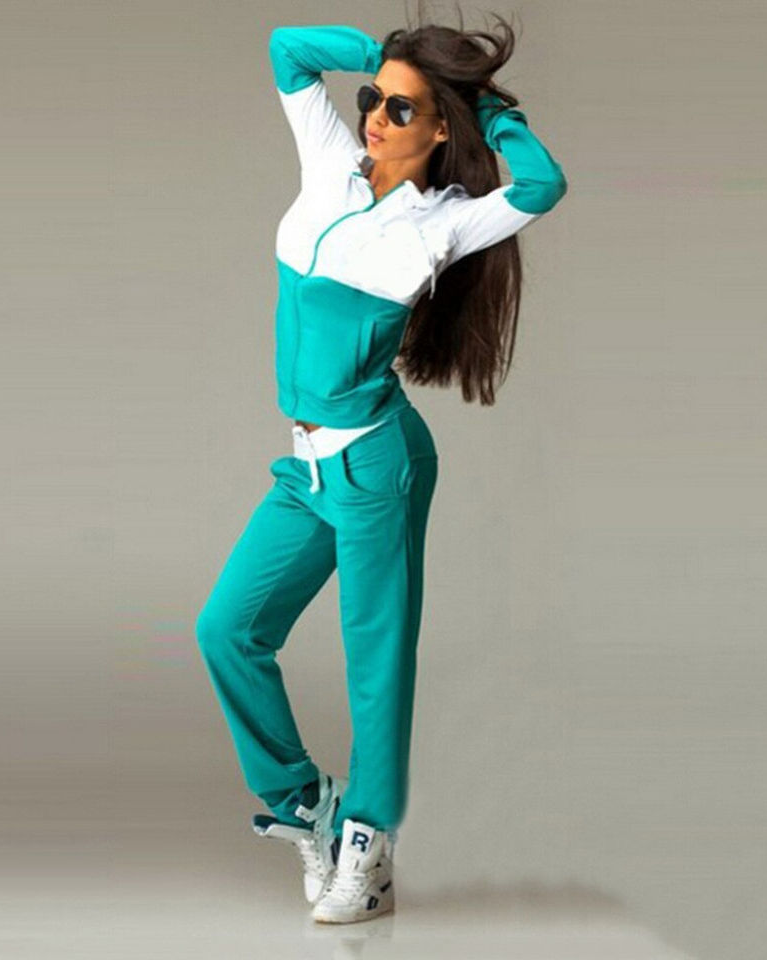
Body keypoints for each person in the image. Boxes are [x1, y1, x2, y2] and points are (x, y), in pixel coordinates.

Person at [195, 13, 567, 924]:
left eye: (402, 109)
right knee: (228, 630)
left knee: (375, 664)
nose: (374, 116)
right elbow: (287, 48)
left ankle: (368, 846)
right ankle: (306, 806)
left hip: (375, 466)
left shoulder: (444, 223)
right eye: (373, 100)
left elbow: (543, 184)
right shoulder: (330, 161)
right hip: (306, 471)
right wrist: (387, 60)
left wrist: (491, 110)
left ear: (440, 130)